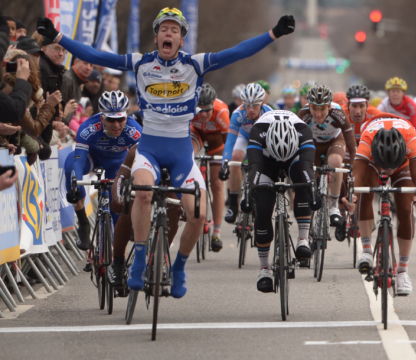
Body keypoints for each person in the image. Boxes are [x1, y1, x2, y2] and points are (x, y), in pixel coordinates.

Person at [38, 9, 296, 299]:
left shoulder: (194, 65)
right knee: (144, 194)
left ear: (182, 40)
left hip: (181, 153)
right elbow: (96, 55)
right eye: (164, 29)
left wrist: (274, 33)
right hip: (149, 149)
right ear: (156, 36)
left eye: (175, 30)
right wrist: (58, 37)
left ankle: (178, 268)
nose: (169, 34)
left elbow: (236, 52)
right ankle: (135, 262)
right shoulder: (141, 63)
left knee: (197, 213)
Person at [353, 114, 416, 296]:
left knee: (405, 207)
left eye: (390, 169)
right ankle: (366, 250)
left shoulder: (411, 139)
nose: (389, 172)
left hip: (403, 162)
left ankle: (402, 271)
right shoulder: (367, 142)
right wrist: (352, 198)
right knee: (364, 193)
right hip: (373, 159)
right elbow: (357, 179)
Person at [243, 110, 317, 292]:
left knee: (302, 182)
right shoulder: (258, 130)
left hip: (295, 158)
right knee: (262, 206)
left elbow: (308, 170)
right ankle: (264, 269)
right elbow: (254, 170)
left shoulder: (304, 131)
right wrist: (248, 196)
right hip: (266, 162)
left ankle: (303, 239)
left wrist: (313, 194)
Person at [64, 91, 141, 250]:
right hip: (93, 158)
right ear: (102, 117)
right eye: (111, 119)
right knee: (70, 163)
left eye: (120, 119)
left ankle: (119, 258)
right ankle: (84, 223)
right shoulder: (88, 128)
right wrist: (76, 187)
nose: (116, 124)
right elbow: (79, 161)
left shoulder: (135, 130)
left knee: (117, 208)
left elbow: (142, 161)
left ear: (126, 116)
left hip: (118, 163)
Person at [297, 84, 356, 227]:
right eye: (314, 108)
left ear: (329, 106)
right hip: (313, 144)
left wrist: (354, 169)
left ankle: (334, 205)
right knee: (306, 166)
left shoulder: (338, 112)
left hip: (334, 141)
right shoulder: (302, 114)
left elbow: (351, 143)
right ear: (308, 105)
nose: (318, 114)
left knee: (335, 161)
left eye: (322, 108)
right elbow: (295, 143)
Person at [220, 83, 272, 224]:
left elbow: (271, 142)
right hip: (244, 139)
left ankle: (257, 197)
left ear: (261, 103)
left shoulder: (269, 113)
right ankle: (233, 204)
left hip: (261, 141)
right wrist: (225, 163)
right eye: (247, 105)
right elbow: (230, 142)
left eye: (254, 105)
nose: (250, 109)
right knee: (236, 158)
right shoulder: (238, 114)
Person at [190, 83, 228, 251]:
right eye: (201, 110)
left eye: (207, 109)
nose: (204, 114)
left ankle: (217, 232)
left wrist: (225, 163)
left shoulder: (221, 112)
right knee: (189, 154)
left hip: (216, 141)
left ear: (213, 105)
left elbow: (229, 142)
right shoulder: (190, 109)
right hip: (196, 135)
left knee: (217, 184)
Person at [376, 77, 416, 144]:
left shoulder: (410, 105)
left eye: (398, 91)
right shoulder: (384, 104)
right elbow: (374, 121)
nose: (395, 94)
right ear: (388, 93)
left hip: (406, 136)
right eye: (393, 91)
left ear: (403, 93)